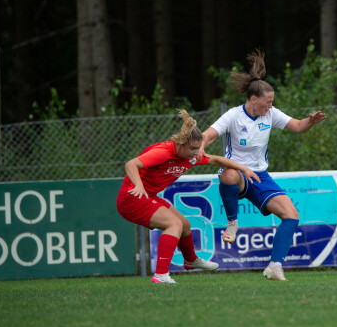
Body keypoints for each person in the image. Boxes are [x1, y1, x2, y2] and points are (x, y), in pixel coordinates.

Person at [199, 49, 326, 281]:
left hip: (260, 177)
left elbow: (297, 126)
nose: (270, 106)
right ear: (254, 99)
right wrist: (201, 146)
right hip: (238, 175)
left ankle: (275, 266)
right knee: (227, 174)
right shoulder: (233, 116)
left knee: (291, 215)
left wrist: (311, 121)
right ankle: (232, 223)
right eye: (268, 102)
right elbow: (209, 134)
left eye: (272, 103)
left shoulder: (270, 114)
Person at [117, 109, 260, 284]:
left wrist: (244, 169)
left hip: (147, 196)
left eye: (198, 148)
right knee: (174, 224)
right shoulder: (164, 152)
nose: (196, 152)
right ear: (179, 144)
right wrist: (138, 184)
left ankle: (191, 260)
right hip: (132, 197)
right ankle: (160, 275)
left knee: (184, 225)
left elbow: (216, 160)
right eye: (192, 148)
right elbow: (131, 164)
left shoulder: (191, 156)